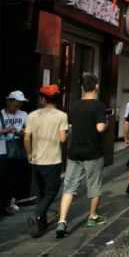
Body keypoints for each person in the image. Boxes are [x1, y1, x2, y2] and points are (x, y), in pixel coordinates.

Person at [56, 74, 108, 238]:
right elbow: (100, 128)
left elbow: (70, 125)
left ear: (82, 88)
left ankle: (62, 221)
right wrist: (106, 122)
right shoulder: (98, 105)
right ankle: (93, 217)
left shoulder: (74, 105)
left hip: (74, 152)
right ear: (97, 86)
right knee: (94, 186)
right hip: (93, 152)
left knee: (69, 187)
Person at [23, 85, 68, 237]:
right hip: (53, 159)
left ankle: (40, 225)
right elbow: (62, 139)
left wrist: (29, 153)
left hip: (36, 160)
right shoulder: (62, 116)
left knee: (41, 192)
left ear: (43, 99)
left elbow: (26, 137)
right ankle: (37, 215)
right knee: (52, 190)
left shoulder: (32, 115)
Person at [0, 90, 29, 216]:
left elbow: (30, 128)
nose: (18, 106)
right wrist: (7, 129)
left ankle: (6, 205)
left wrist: (23, 130)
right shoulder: (1, 114)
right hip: (2, 151)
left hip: (16, 151)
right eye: (16, 104)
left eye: (20, 104)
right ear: (9, 101)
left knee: (11, 180)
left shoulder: (23, 114)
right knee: (2, 178)